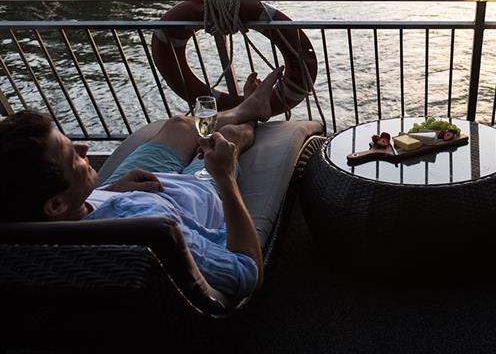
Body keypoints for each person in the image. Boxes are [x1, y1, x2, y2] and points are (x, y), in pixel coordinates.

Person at [0, 66, 285, 302]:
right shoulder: (150, 229)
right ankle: (251, 119)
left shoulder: (28, 226)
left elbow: (73, 214)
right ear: (56, 203)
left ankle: (246, 107)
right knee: (229, 136)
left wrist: (109, 192)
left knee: (179, 125)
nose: (84, 149)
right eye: (72, 156)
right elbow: (245, 273)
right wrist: (224, 178)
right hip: (186, 196)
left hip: (118, 191)